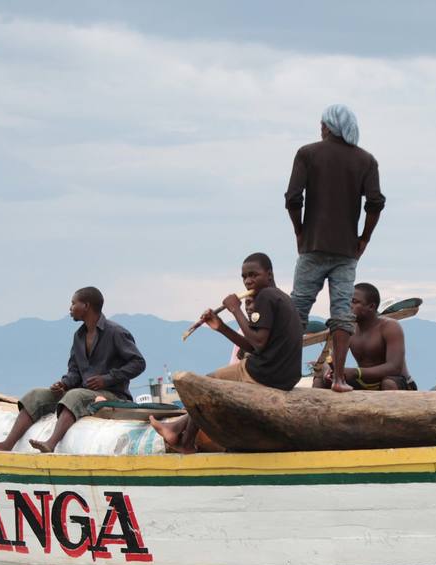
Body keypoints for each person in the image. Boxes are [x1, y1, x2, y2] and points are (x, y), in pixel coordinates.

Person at [150, 253, 302, 453]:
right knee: (207, 386)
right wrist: (221, 327)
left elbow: (257, 344)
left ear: (269, 274)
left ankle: (186, 442)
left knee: (205, 385)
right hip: (284, 376)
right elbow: (253, 345)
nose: (248, 281)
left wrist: (235, 310)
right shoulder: (281, 298)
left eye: (253, 275)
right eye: (244, 277)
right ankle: (177, 428)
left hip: (266, 373)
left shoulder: (265, 297)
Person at [284, 103, 385, 393]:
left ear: (329, 126)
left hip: (313, 246)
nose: (320, 127)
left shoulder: (307, 154)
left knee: (297, 310)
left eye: (322, 123)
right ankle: (339, 379)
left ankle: (285, 373)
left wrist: (299, 230)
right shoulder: (366, 161)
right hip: (345, 251)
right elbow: (375, 203)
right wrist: (363, 238)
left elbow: (293, 198)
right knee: (342, 312)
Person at [0, 287, 145, 454]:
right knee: (36, 394)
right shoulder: (79, 336)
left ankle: (51, 443)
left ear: (86, 306)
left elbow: (138, 363)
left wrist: (106, 379)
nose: (70, 308)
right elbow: (74, 370)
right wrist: (64, 383)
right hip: (84, 391)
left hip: (111, 394)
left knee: (75, 395)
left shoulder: (115, 332)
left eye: (73, 303)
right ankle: (6, 444)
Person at [311, 282, 415, 390]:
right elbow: (331, 360)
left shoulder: (390, 327)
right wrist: (328, 371)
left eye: (355, 302)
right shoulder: (348, 329)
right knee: (320, 380)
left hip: (397, 382)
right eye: (348, 301)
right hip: (365, 381)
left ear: (371, 306)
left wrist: (357, 372)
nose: (349, 306)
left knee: (388, 383)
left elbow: (395, 367)